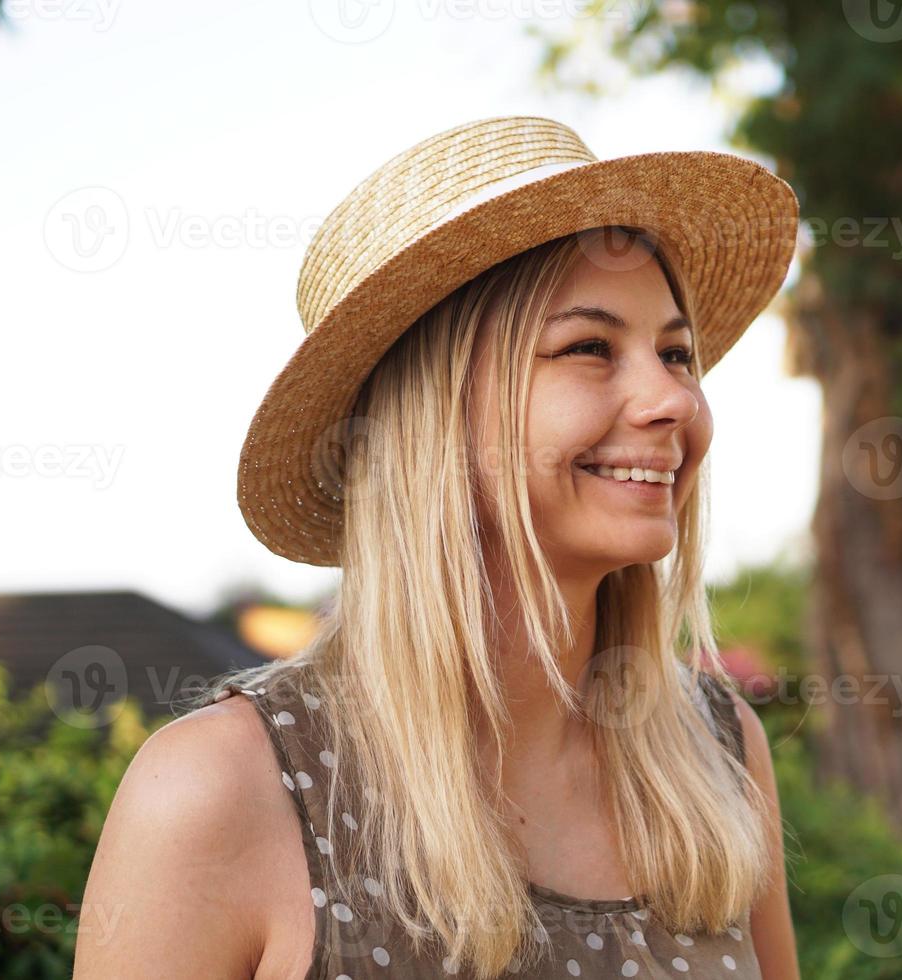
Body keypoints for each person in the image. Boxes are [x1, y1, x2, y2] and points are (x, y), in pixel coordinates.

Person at [74, 115, 802, 980]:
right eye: (589, 347)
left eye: (676, 354)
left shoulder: (718, 751)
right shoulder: (217, 792)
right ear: (435, 422)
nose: (674, 401)